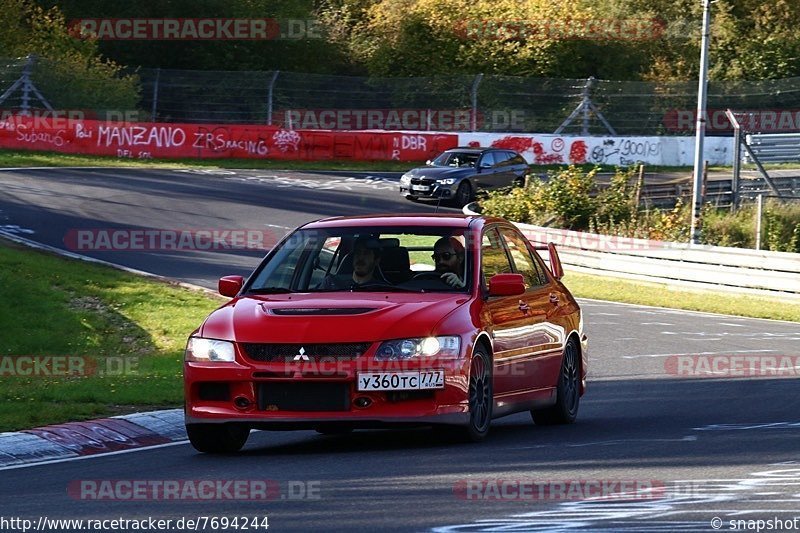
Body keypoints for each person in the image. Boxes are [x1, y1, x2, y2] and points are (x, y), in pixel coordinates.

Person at [320, 235, 386, 289]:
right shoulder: (331, 283)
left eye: (366, 253)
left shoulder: (383, 289)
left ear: (376, 260)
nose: (360, 257)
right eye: (358, 252)